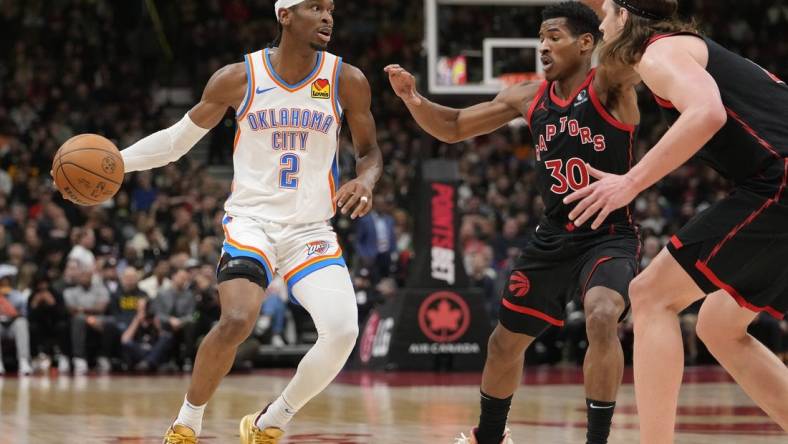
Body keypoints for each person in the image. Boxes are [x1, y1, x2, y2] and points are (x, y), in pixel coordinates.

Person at [114, 0, 382, 442]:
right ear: (285, 16)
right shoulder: (239, 78)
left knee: (342, 332)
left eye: (330, 8)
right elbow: (178, 142)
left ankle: (270, 421)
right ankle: (187, 423)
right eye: (315, 7)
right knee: (238, 319)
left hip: (310, 229)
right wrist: (117, 163)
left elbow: (369, 152)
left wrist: (366, 180)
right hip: (252, 222)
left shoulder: (345, 79)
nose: (328, 17)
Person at [387, 3, 640, 443]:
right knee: (504, 343)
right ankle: (488, 436)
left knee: (601, 315)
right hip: (554, 235)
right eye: (540, 37)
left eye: (554, 36)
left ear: (585, 43)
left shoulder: (611, 83)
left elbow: (639, 49)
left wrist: (616, 15)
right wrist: (414, 98)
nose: (543, 45)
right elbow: (454, 126)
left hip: (608, 234)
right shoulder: (528, 97)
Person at [564, 0, 788, 441]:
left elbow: (707, 114)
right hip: (774, 185)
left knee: (650, 296)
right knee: (718, 326)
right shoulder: (691, 49)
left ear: (625, 16)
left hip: (779, 184)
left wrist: (630, 183)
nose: (603, 25)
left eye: (606, 13)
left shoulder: (659, 52)